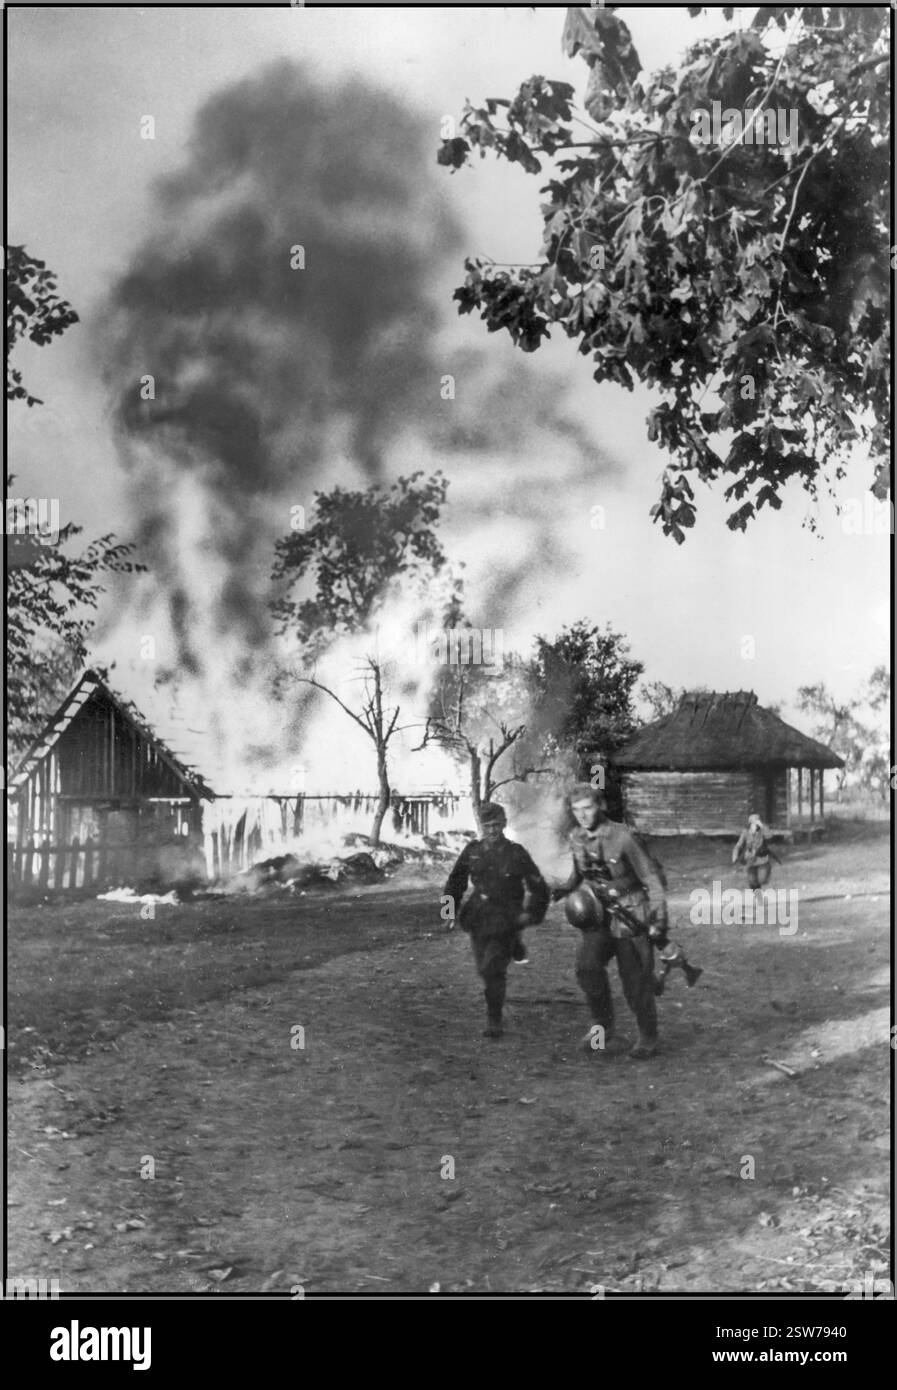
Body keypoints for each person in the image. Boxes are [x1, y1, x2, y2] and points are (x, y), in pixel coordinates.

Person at [552, 784, 674, 1059]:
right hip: (599, 917)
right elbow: (580, 873)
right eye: (576, 810)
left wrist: (659, 918)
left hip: (631, 916)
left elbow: (651, 878)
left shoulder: (624, 837)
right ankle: (603, 1028)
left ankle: (648, 1036)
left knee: (634, 981)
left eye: (588, 808)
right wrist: (564, 888)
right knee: (587, 968)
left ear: (602, 806)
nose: (582, 815)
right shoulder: (577, 837)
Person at [443, 801, 550, 1039]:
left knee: (493, 969)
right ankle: (514, 947)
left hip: (507, 917)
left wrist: (530, 915)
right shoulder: (472, 851)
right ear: (481, 826)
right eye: (487, 825)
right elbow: (455, 882)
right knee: (483, 968)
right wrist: (448, 912)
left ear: (504, 824)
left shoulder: (516, 852)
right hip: (479, 916)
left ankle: (494, 1020)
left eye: (496, 825)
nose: (492, 830)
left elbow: (539, 886)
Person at [732, 813, 782, 894]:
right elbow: (739, 845)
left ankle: (759, 895)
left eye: (757, 822)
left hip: (762, 859)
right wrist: (735, 856)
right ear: (750, 823)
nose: (756, 824)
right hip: (750, 860)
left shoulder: (762, 830)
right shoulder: (745, 832)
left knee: (762, 879)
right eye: (754, 822)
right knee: (752, 882)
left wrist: (762, 826)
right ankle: (759, 899)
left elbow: (769, 836)